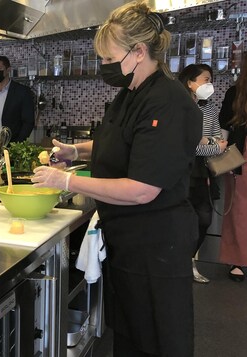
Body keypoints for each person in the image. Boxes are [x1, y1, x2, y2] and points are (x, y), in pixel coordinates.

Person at [31, 2, 202, 356]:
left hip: (156, 246)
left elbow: (141, 189)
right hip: (127, 240)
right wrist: (76, 152)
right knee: (129, 334)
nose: (105, 67)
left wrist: (66, 182)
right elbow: (121, 141)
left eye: (109, 59)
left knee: (159, 339)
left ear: (139, 52)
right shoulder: (131, 94)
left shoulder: (168, 101)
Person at [178, 64, 228, 283]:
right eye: (205, 79)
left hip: (204, 170)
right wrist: (211, 144)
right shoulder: (179, 107)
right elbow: (188, 145)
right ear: (190, 82)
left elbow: (219, 141)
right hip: (182, 170)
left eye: (210, 79)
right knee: (183, 220)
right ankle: (180, 263)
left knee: (204, 218)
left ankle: (187, 259)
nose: (209, 84)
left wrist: (207, 142)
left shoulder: (210, 108)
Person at [218, 44, 247, 282]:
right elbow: (224, 127)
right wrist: (218, 156)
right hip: (241, 151)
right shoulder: (235, 92)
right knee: (239, 207)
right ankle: (237, 260)